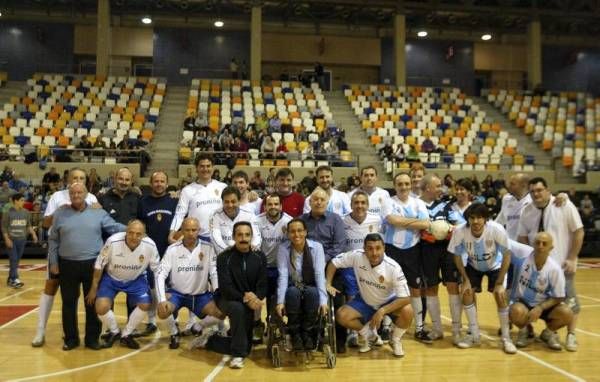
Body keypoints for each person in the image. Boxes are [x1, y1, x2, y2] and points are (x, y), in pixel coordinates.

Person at [48, 183, 125, 351]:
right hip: (66, 265)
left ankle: (92, 339)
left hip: (93, 265)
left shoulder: (98, 212)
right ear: (69, 195)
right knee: (68, 303)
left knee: (92, 303)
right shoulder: (60, 213)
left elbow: (114, 227)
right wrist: (53, 262)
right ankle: (71, 339)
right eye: (73, 193)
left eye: (79, 192)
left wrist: (133, 229)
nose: (76, 195)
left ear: (86, 194)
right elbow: (53, 239)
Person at [31, 168, 98, 347]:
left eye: (81, 178)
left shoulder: (91, 198)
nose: (78, 180)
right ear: (67, 180)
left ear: (86, 181)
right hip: (59, 251)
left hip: (83, 254)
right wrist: (59, 212)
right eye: (74, 177)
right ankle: (40, 330)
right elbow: (45, 224)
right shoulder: (57, 197)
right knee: (52, 286)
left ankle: (80, 333)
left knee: (84, 294)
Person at [517, 177, 584, 352]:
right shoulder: (527, 211)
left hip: (561, 266)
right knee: (523, 302)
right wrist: (526, 259)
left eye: (539, 190)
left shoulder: (564, 205)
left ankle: (571, 335)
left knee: (569, 303)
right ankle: (528, 330)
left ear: (548, 190)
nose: (536, 194)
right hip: (536, 268)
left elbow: (578, 232)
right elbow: (522, 236)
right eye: (532, 192)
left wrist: (571, 258)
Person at [326, 234, 413, 357]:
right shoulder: (357, 256)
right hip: (365, 301)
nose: (374, 253)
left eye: (378, 248)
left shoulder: (393, 267)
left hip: (388, 301)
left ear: (384, 248)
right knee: (342, 315)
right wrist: (328, 283)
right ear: (364, 248)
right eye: (370, 248)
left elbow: (406, 298)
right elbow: (334, 263)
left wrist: (382, 310)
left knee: (408, 310)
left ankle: (395, 340)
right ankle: (371, 337)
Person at [448, 203, 517, 354]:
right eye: (472, 218)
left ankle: (506, 338)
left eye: (479, 218)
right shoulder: (460, 231)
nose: (476, 221)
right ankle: (474, 333)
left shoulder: (496, 229)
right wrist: (465, 279)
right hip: (474, 266)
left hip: (496, 266)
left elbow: (507, 255)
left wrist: (499, 283)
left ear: (485, 219)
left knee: (500, 295)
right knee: (465, 292)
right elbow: (457, 256)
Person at [202, 222, 268, 369]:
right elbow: (226, 287)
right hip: (227, 299)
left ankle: (212, 341)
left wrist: (257, 297)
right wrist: (247, 298)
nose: (243, 238)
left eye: (247, 235)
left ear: (252, 236)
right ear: (233, 237)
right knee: (238, 308)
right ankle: (238, 355)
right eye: (239, 234)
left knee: (248, 345)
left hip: (250, 300)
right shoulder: (224, 258)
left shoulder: (260, 256)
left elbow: (263, 284)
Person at [87, 220, 160, 349]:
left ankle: (126, 334)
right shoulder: (113, 241)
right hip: (111, 278)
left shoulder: (150, 245)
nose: (134, 237)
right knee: (100, 307)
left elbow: (157, 271)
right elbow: (99, 264)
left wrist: (161, 295)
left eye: (138, 234)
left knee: (146, 304)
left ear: (144, 235)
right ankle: (115, 331)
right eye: (131, 233)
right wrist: (94, 288)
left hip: (136, 279)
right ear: (126, 232)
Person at [156, 218, 224, 350]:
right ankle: (174, 333)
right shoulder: (172, 249)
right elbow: (160, 273)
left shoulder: (208, 248)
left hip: (200, 296)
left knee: (221, 312)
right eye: (187, 230)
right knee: (162, 311)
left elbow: (214, 272)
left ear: (199, 231)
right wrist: (162, 299)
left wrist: (217, 293)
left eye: (194, 230)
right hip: (177, 294)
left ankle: (198, 327)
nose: (191, 233)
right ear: (182, 231)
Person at [382, 172, 431, 343]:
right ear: (395, 186)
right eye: (400, 184)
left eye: (406, 184)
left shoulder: (418, 203)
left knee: (415, 289)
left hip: (413, 250)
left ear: (411, 185)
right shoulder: (388, 201)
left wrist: (401, 221)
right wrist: (413, 221)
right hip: (392, 248)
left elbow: (426, 224)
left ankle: (419, 328)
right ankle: (386, 327)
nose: (403, 187)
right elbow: (391, 220)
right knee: (390, 288)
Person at [419, 174, 466, 345]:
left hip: (447, 250)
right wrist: (427, 233)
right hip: (426, 250)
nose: (441, 189)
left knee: (453, 287)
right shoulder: (417, 205)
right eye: (438, 186)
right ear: (428, 188)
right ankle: (437, 329)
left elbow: (459, 225)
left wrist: (448, 228)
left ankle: (456, 331)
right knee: (431, 288)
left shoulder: (446, 205)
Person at [300, 187, 347, 352]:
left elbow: (340, 246)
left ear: (327, 202)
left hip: (332, 267)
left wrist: (321, 259)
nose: (318, 202)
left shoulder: (336, 220)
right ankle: (312, 338)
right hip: (307, 268)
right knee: (309, 299)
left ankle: (340, 341)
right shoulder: (302, 221)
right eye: (315, 199)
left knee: (338, 301)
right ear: (310, 202)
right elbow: (297, 243)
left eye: (322, 199)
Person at [509, 232, 573, 350]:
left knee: (567, 313)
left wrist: (540, 308)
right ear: (533, 244)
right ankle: (525, 332)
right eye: (537, 243)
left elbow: (559, 297)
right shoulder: (523, 256)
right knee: (514, 311)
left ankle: (548, 334)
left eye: (544, 244)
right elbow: (506, 242)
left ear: (551, 248)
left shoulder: (554, 269)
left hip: (545, 305)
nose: (540, 246)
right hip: (523, 303)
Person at [276, 218, 328, 351]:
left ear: (305, 232)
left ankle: (307, 333)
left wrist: (323, 300)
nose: (296, 234)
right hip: (293, 284)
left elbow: (319, 274)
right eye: (292, 231)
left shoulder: (316, 247)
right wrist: (280, 301)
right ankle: (295, 334)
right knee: (292, 293)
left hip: (311, 284)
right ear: (288, 234)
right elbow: (282, 275)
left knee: (312, 293)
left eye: (300, 230)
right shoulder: (283, 249)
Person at [136, 171, 178, 335]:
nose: (159, 184)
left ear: (167, 184)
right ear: (151, 183)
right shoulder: (143, 202)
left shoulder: (174, 201)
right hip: (150, 252)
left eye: (162, 181)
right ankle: (151, 320)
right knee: (152, 287)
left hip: (170, 251)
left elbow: (181, 222)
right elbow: (140, 224)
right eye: (156, 181)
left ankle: (173, 320)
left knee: (172, 287)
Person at [169, 154, 227, 243]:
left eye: (208, 166)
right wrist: (172, 233)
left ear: (213, 167)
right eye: (202, 166)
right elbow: (179, 214)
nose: (205, 169)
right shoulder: (187, 190)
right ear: (196, 168)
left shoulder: (223, 187)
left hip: (221, 236)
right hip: (197, 238)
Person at [209, 186, 262, 255]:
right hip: (225, 255)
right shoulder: (215, 215)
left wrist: (251, 249)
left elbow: (257, 237)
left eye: (233, 201)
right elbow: (216, 239)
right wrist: (229, 253)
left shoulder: (249, 214)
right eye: (226, 202)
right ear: (222, 202)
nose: (230, 205)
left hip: (247, 254)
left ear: (239, 201)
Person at [2, 193, 38, 288]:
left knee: (16, 261)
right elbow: (4, 228)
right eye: (21, 200)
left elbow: (28, 225)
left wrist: (33, 234)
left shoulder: (26, 212)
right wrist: (7, 239)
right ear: (15, 201)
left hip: (22, 240)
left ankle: (10, 279)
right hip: (11, 240)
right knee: (13, 259)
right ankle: (15, 279)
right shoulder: (7, 213)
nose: (24, 202)